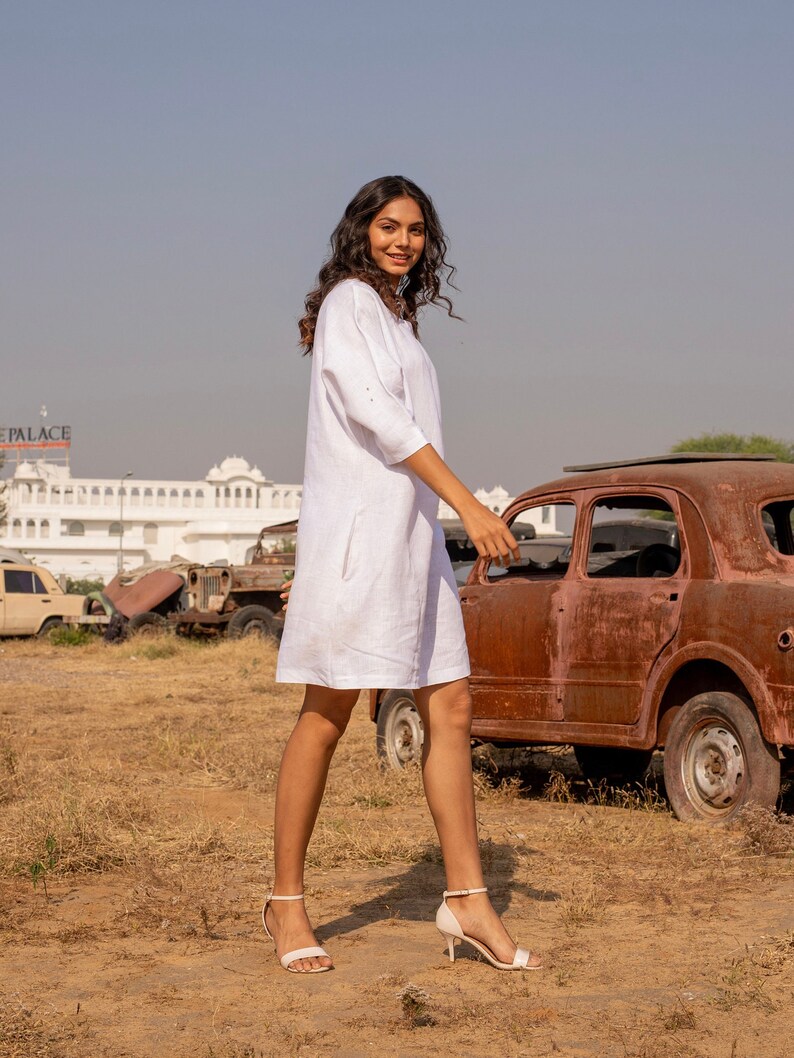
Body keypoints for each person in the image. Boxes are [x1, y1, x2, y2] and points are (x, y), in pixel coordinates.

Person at [264, 175, 542, 975]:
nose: (404, 241)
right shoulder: (352, 302)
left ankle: (466, 898)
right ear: (361, 231)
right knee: (329, 710)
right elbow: (383, 423)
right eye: (389, 226)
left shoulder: (398, 316)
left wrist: (440, 519)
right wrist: (471, 506)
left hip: (411, 544)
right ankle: (286, 902)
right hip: (361, 545)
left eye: (417, 230)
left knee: (449, 704)